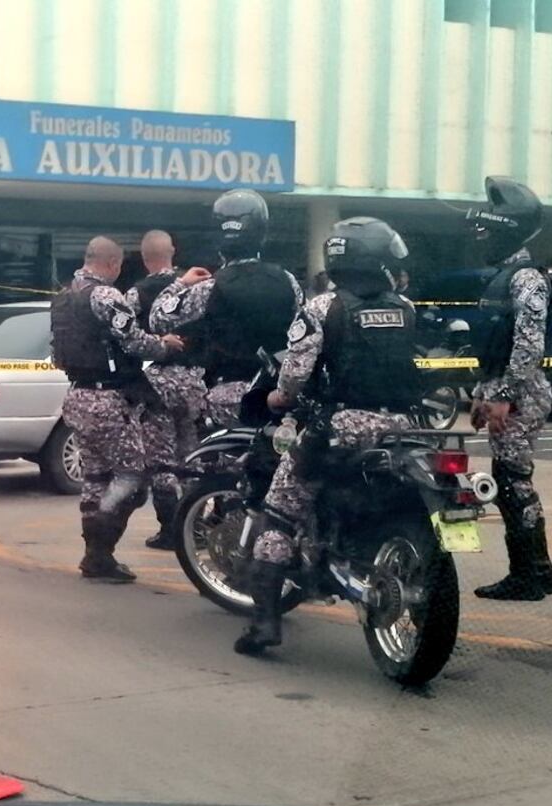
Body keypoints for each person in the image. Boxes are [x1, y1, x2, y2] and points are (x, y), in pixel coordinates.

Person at [235, 217, 420, 656]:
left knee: (279, 510)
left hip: (343, 426)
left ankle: (264, 625)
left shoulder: (323, 309)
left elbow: (296, 374)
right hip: (403, 428)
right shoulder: (406, 307)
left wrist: (279, 398)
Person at [51, 235, 201, 583]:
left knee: (96, 477)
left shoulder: (63, 297)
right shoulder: (106, 295)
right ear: (114, 263)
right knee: (132, 478)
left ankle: (94, 552)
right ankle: (100, 552)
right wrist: (163, 345)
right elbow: (134, 341)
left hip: (78, 396)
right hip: (108, 400)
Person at [467, 176, 552, 602]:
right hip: (506, 390)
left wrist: (504, 396)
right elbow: (496, 342)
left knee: (513, 483)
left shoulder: (527, 280)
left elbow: (527, 345)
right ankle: (540, 573)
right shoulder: (504, 278)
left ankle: (527, 576)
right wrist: (483, 395)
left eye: (486, 231)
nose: (480, 239)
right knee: (512, 481)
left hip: (522, 394)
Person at [151, 189, 303, 430]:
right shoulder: (288, 281)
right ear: (261, 232)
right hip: (276, 398)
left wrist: (180, 283)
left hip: (228, 400)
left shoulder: (209, 288)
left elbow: (158, 319)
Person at [127, 230, 202, 549]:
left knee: (161, 461)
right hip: (196, 380)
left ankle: (170, 530)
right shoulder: (198, 285)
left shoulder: (137, 293)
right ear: (173, 251)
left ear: (144, 258)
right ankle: (196, 526)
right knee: (193, 458)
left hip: (158, 384)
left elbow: (124, 337)